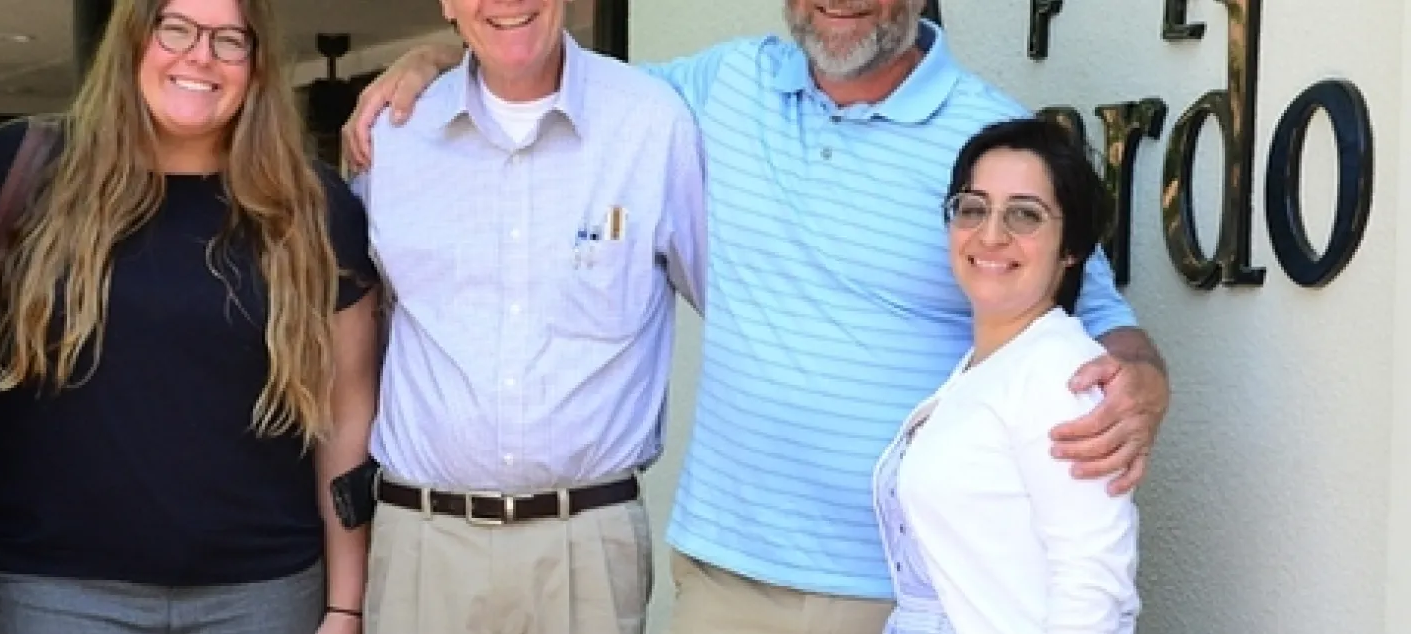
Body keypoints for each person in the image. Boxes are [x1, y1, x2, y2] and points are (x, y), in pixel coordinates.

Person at [342, 1, 1172, 632]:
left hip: (895, 581)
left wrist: (1143, 378)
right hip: (722, 576)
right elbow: (534, 69)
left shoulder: (987, 142)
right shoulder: (715, 91)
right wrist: (435, 58)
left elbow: (1093, 308)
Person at [0, 0, 382, 632]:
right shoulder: (20, 174)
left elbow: (347, 417)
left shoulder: (315, 209)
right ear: (132, 41)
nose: (200, 56)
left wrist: (346, 603)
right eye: (175, 30)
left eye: (229, 41)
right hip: (49, 590)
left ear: (257, 64)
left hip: (261, 593)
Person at [350, 1, 705, 633]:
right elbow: (341, 336)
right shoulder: (393, 135)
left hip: (586, 554)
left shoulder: (653, 122)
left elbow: (733, 307)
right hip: (422, 550)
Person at [874, 118, 1141, 633]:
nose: (991, 234)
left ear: (1072, 248)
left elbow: (1093, 584)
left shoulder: (1060, 376)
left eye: (1025, 215)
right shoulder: (989, 367)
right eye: (973, 209)